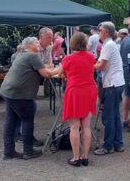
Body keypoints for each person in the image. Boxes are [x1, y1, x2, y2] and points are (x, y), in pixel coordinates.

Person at [0, 37, 53, 160]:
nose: (38, 43)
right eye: (36, 42)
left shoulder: (22, 54)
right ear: (29, 45)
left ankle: (9, 151)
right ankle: (28, 151)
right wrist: (61, 68)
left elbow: (41, 67)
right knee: (27, 119)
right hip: (20, 94)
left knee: (10, 121)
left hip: (7, 91)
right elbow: (46, 73)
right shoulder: (33, 56)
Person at [49, 32, 97, 167]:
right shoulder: (90, 56)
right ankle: (85, 157)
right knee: (86, 126)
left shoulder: (69, 58)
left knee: (74, 126)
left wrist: (46, 70)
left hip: (75, 91)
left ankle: (76, 158)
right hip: (89, 90)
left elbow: (57, 72)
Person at [94, 21, 126, 155]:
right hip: (116, 82)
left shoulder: (108, 45)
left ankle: (108, 146)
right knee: (115, 115)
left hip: (112, 83)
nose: (98, 32)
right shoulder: (110, 44)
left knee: (108, 116)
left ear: (106, 32)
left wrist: (87, 64)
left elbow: (101, 66)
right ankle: (118, 143)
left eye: (100, 30)